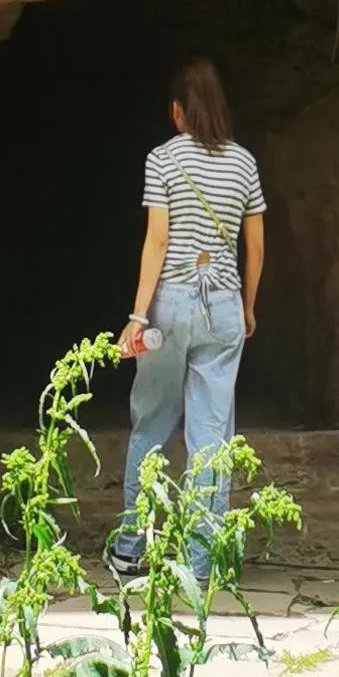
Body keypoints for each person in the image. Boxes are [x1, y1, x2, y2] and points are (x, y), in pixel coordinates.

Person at [107, 55, 265, 582]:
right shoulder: (244, 163)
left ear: (178, 111)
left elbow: (157, 239)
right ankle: (200, 562)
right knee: (211, 434)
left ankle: (131, 545)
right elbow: (256, 244)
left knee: (151, 421)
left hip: (171, 301)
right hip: (223, 305)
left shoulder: (162, 159)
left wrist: (136, 314)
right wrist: (247, 305)